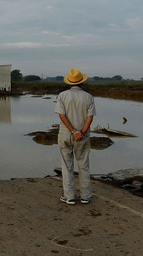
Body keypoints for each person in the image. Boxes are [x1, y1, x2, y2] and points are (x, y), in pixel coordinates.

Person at [54, 68, 96, 205]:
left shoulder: (62, 96)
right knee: (83, 165)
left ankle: (69, 196)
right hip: (82, 137)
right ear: (82, 82)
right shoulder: (89, 97)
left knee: (66, 166)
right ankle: (85, 196)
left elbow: (61, 115)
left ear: (69, 83)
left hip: (66, 135)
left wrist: (73, 131)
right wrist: (81, 132)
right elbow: (90, 118)